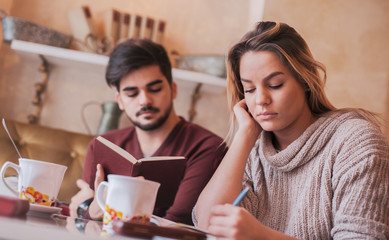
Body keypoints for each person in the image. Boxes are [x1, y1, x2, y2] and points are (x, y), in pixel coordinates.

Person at [194, 21, 389, 239]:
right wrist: (244, 136)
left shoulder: (355, 141)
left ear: (305, 80)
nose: (260, 100)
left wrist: (261, 236)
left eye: (275, 84)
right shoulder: (253, 151)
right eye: (249, 89)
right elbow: (206, 225)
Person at [69, 38, 227, 225]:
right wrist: (91, 209)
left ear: (173, 89)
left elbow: (176, 223)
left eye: (155, 89)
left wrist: (92, 208)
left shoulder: (207, 148)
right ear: (119, 100)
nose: (144, 100)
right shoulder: (102, 145)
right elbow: (86, 223)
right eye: (132, 93)